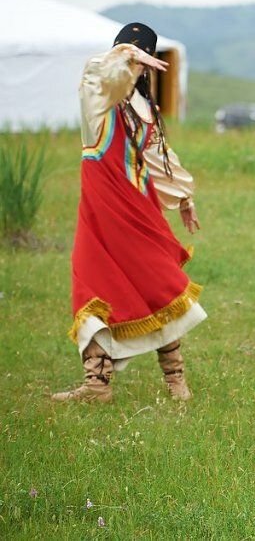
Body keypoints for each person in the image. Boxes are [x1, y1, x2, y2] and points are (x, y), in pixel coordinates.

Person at [52, 23, 205, 403]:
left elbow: (160, 158)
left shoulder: (144, 109)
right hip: (101, 213)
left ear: (150, 65)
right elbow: (95, 71)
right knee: (92, 287)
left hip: (139, 212)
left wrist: (184, 197)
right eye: (124, 52)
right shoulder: (97, 99)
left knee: (158, 287)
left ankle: (176, 381)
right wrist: (123, 57)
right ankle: (96, 384)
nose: (131, 62)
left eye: (138, 55)